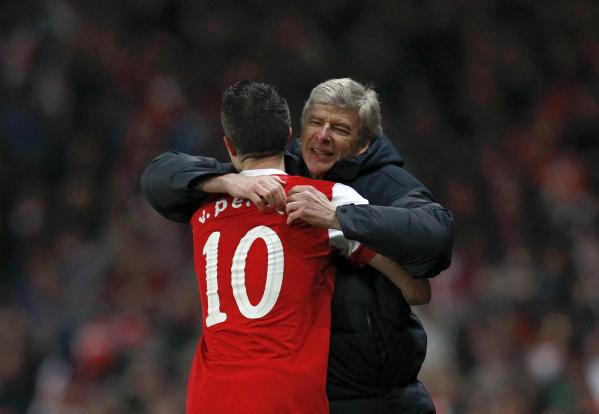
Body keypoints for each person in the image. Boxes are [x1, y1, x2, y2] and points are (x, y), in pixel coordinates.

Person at [141, 78, 453, 413]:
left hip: (216, 396)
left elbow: (436, 233)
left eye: (339, 129)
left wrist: (339, 218)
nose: (323, 136)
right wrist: (227, 180)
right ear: (294, 134)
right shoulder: (314, 195)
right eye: (316, 124)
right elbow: (418, 291)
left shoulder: (205, 204)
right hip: (291, 395)